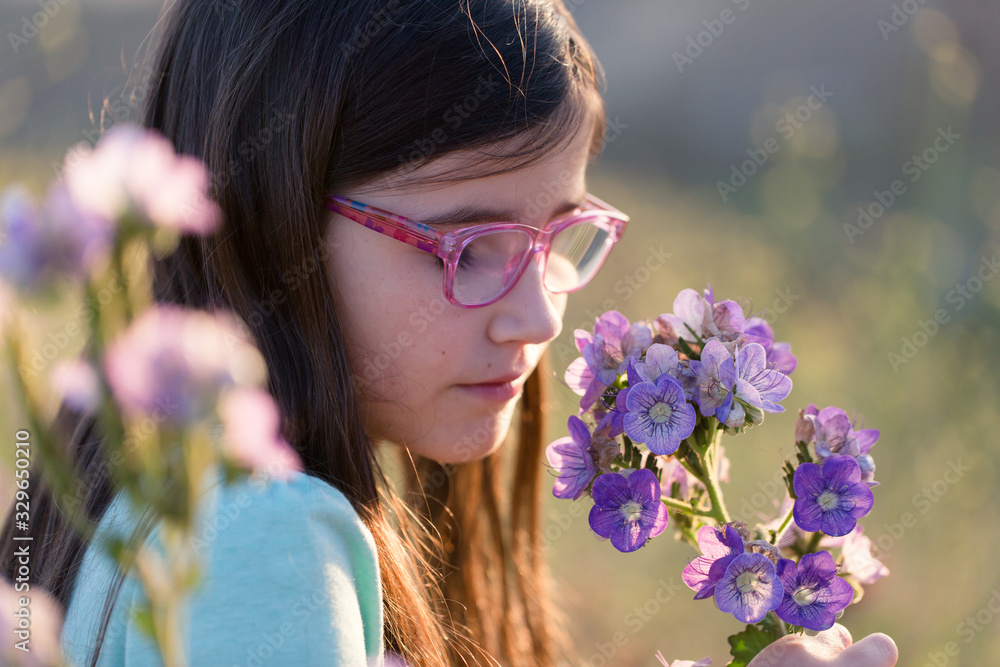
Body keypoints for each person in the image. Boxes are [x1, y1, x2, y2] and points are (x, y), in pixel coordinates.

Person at [0, 1, 898, 665]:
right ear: (275, 220)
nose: (541, 315)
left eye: (557, 237)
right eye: (468, 248)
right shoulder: (262, 536)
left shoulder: (139, 478)